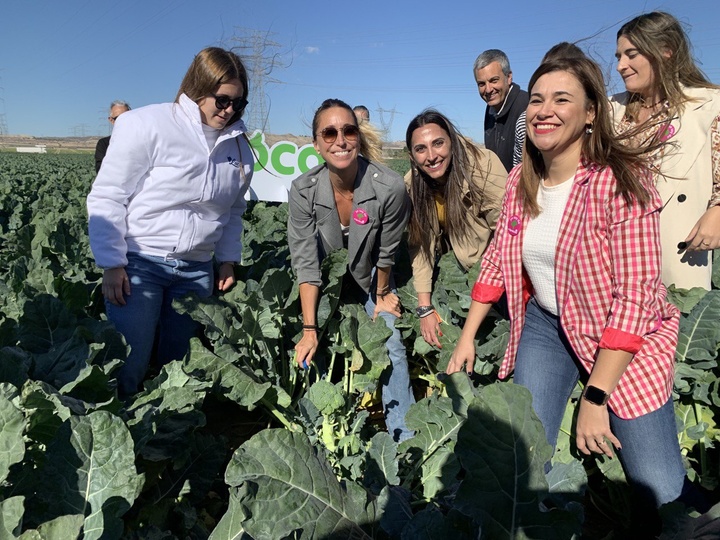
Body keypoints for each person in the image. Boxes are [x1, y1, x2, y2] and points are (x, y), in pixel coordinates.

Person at [448, 55, 693, 522]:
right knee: (524, 455)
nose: (544, 109)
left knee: (662, 496)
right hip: (546, 323)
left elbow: (637, 299)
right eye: (537, 99)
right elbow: (499, 256)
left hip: (623, 340)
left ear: (591, 114)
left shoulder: (621, 183)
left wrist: (595, 397)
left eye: (563, 99)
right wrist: (467, 336)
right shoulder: (524, 178)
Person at [87, 47, 253, 398]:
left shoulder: (238, 148)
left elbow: (233, 211)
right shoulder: (147, 124)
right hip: (139, 263)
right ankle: (116, 438)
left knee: (178, 368)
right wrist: (112, 263)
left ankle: (165, 442)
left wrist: (226, 259)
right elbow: (109, 195)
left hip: (196, 269)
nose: (229, 111)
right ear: (199, 88)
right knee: (129, 362)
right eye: (222, 100)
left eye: (238, 104)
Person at [288, 98, 415, 442]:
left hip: (372, 274)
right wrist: (310, 327)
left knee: (391, 343)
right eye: (329, 133)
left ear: (358, 136)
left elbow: (387, 251)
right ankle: (315, 436)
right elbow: (306, 262)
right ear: (316, 143)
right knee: (311, 346)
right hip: (326, 281)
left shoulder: (388, 186)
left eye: (348, 131)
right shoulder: (303, 190)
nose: (340, 140)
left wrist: (383, 294)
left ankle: (406, 438)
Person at [610, 11, 720, 290]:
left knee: (681, 328)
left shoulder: (708, 105)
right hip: (617, 255)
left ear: (665, 51)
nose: (621, 65)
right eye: (619, 57)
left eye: (631, 54)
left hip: (678, 250)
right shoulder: (612, 110)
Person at [404, 109, 506, 347]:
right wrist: (425, 308)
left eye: (438, 143)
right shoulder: (413, 184)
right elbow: (421, 248)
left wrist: (486, 286)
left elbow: (507, 233)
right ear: (411, 154)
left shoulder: (482, 166)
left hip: (496, 266)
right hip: (457, 267)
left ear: (451, 140)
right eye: (421, 149)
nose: (431, 156)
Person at [473, 49, 529, 172]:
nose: (488, 90)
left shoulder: (526, 108)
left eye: (494, 80)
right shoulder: (491, 110)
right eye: (481, 84)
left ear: (508, 77)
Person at [94, 100, 131, 173]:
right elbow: (101, 170)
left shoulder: (142, 140)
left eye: (127, 117)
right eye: (119, 118)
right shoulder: (104, 144)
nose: (124, 121)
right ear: (111, 120)